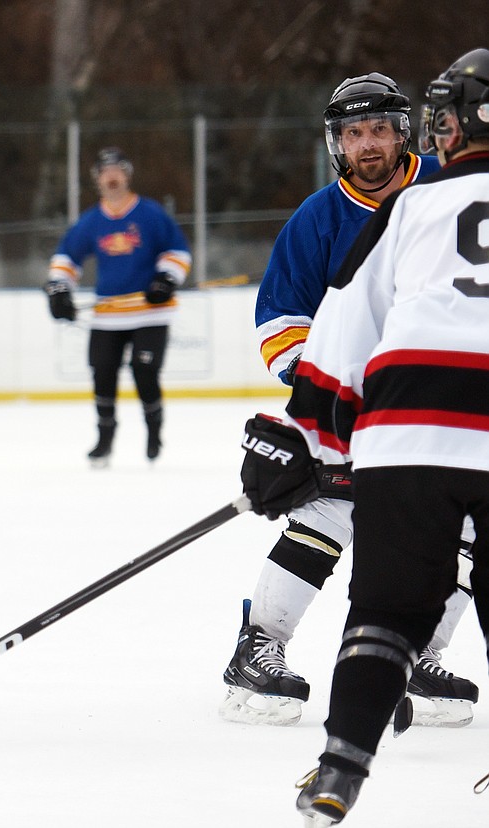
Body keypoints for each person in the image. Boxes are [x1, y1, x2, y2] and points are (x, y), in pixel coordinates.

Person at [236, 47, 489, 825]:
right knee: (330, 515)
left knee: (438, 548)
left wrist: (328, 418)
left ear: (417, 130)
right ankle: (257, 648)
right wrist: (323, 428)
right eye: (357, 134)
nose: (372, 144)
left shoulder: (422, 198)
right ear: (336, 144)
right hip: (375, 413)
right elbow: (284, 327)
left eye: (384, 128)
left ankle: (415, 663)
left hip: (390, 417)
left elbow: (354, 327)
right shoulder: (321, 218)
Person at [42, 147, 192, 467]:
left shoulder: (150, 214)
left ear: (127, 174)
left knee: (144, 370)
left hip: (150, 312)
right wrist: (59, 289)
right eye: (105, 171)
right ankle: (105, 438)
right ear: (97, 179)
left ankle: (154, 431)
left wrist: (166, 279)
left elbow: (177, 250)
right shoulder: (92, 221)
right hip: (108, 315)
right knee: (103, 373)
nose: (112, 176)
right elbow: (67, 258)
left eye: (117, 170)